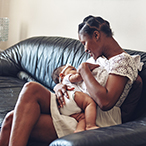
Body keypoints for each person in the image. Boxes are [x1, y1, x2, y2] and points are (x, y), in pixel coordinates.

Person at [0, 15, 143, 146]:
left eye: (84, 43)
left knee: (13, 121)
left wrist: (84, 70)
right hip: (72, 106)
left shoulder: (123, 61)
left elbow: (105, 102)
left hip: (91, 118)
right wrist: (59, 86)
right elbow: (75, 79)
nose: (85, 49)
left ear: (96, 35)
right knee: (19, 104)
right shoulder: (99, 58)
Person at [51, 63, 108, 132]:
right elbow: (79, 77)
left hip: (64, 108)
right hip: (71, 97)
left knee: (82, 117)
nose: (76, 70)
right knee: (89, 103)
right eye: (72, 69)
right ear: (62, 75)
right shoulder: (67, 78)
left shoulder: (64, 82)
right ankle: (90, 125)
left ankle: (79, 130)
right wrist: (86, 70)